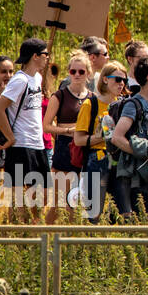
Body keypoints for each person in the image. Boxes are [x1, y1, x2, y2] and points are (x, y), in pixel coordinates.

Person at [109, 56, 148, 218]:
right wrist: (139, 151)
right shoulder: (134, 104)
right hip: (145, 173)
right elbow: (117, 137)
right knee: (145, 219)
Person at [0, 38, 51, 217]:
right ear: (35, 56)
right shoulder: (19, 80)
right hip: (21, 143)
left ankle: (34, 232)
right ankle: (19, 236)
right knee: (19, 196)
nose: (47, 57)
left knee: (42, 195)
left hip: (38, 144)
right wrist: (10, 137)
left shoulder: (37, 77)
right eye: (45, 54)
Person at [73, 61, 128, 222]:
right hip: (97, 159)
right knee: (94, 214)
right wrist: (101, 136)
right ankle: (91, 244)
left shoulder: (124, 104)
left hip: (120, 160)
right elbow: (79, 139)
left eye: (124, 80)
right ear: (105, 79)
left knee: (124, 213)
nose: (121, 84)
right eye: (117, 79)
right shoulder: (91, 104)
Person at [44, 49, 91, 223]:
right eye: (73, 71)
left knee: (77, 203)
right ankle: (42, 242)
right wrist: (67, 131)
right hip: (64, 148)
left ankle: (71, 244)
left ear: (88, 73)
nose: (77, 75)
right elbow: (47, 126)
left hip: (84, 150)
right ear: (69, 73)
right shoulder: (60, 95)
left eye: (81, 71)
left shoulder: (91, 97)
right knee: (58, 204)